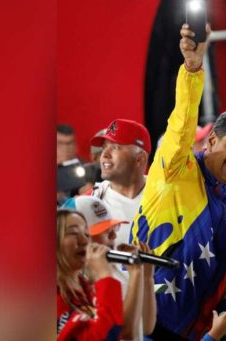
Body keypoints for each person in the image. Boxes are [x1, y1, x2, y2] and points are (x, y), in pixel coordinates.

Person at [129, 24, 226, 340]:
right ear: (211, 140)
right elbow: (181, 124)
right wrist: (192, 70)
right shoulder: (176, 167)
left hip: (194, 333)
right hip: (140, 318)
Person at [62, 196, 156, 341]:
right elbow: (121, 333)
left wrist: (145, 277)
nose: (114, 235)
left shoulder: (114, 270)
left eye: (113, 227)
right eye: (104, 231)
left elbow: (145, 327)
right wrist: (108, 276)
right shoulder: (71, 286)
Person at [56, 208, 123, 340]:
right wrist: (105, 275)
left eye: (87, 234)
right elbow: (108, 335)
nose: (85, 241)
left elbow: (124, 329)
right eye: (74, 233)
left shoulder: (85, 287)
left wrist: (140, 273)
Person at [88, 119, 151, 247]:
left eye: (116, 147)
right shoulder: (88, 201)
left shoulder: (165, 197)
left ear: (140, 159)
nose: (105, 154)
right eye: (104, 147)